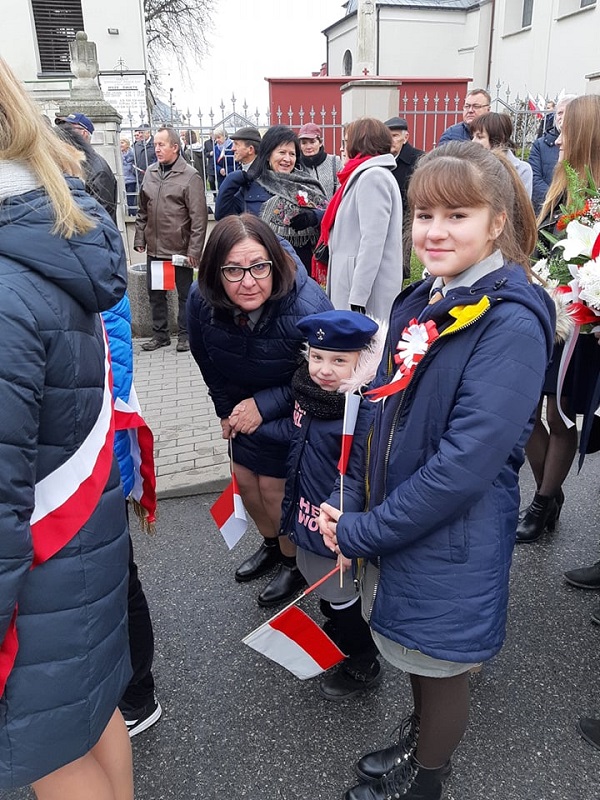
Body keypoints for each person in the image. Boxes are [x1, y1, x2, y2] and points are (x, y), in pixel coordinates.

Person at [319, 141, 554, 800]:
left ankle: (426, 778)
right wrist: (354, 501)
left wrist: (365, 531)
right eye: (425, 215)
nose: (435, 232)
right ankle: (420, 739)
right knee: (414, 653)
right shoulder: (426, 293)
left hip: (450, 532)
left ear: (496, 223)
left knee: (441, 664)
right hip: (404, 519)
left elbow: (462, 467)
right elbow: (387, 407)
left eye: (457, 215)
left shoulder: (508, 322)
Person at [0, 58, 132, 798]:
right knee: (86, 715)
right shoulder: (40, 233)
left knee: (51, 753)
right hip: (72, 545)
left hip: (35, 569)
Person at [187, 214, 332, 607]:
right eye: (233, 270)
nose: (248, 281)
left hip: (296, 407)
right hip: (242, 407)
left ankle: (293, 561)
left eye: (258, 267)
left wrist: (263, 406)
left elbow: (325, 376)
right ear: (216, 271)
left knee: (273, 487)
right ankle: (271, 545)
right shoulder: (201, 300)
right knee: (245, 482)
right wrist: (224, 410)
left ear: (273, 261)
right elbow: (206, 360)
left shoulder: (307, 304)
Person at [276, 310, 384, 700]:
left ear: (362, 362)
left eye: (339, 361)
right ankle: (339, 625)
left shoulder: (364, 409)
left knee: (339, 589)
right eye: (317, 356)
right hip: (304, 505)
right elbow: (298, 439)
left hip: (333, 518)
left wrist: (342, 522)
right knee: (316, 575)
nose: (324, 369)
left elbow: (357, 474)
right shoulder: (311, 394)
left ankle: (363, 658)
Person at [517, 95, 600, 543]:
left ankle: (543, 501)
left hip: (581, 324)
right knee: (525, 411)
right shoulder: (558, 184)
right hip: (546, 315)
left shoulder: (597, 193)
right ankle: (551, 491)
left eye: (565, 126)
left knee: (561, 411)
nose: (558, 135)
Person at [134, 126, 208, 353]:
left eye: (161, 144)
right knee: (156, 295)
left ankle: (185, 336)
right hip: (156, 250)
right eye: (155, 144)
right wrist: (140, 237)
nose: (156, 149)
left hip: (180, 251)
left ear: (175, 147)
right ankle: (160, 335)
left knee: (185, 296)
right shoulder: (151, 173)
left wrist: (194, 252)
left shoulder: (190, 176)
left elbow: (199, 218)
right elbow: (142, 210)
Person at [215, 125, 328, 271]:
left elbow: (330, 213)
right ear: (268, 155)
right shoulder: (252, 186)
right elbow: (221, 214)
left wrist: (313, 217)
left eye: (292, 154)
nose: (287, 159)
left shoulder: (306, 184)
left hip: (300, 267)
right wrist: (233, 179)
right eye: (282, 152)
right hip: (263, 268)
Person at [324, 117, 403, 321]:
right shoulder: (365, 174)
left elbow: (372, 241)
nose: (343, 148)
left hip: (364, 292)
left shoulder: (373, 177)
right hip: (354, 284)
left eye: (346, 142)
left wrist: (358, 297)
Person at [55, 113, 118, 222]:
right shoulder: (71, 165)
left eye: (69, 129)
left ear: (84, 134)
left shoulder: (98, 170)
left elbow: (100, 218)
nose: (63, 133)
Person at [384, 116, 424, 279]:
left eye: (395, 136)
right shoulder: (381, 159)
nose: (391, 140)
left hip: (407, 218)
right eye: (388, 136)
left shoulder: (417, 159)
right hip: (387, 216)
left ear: (405, 137)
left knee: (398, 265)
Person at [530, 95, 576, 214]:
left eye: (566, 112)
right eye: (559, 113)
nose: (562, 117)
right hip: (545, 210)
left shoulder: (583, 145)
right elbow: (534, 178)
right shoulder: (540, 145)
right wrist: (556, 202)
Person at [470, 111, 533, 196]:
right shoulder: (470, 166)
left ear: (499, 139)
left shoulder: (522, 170)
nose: (473, 141)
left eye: (480, 137)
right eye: (473, 136)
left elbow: (522, 206)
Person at [298, 122, 342, 199]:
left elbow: (342, 191)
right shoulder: (297, 165)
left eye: (312, 142)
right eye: (304, 143)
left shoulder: (334, 162)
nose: (308, 147)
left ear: (320, 142)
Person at [121, 137, 138, 216]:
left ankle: (132, 213)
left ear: (127, 144)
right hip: (122, 179)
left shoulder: (132, 153)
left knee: (130, 198)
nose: (121, 145)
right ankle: (125, 213)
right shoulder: (118, 154)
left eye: (122, 143)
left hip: (131, 179)